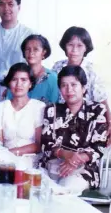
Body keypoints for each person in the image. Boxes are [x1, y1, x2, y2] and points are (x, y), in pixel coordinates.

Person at [40, 65, 108, 193]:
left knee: (65, 189)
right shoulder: (52, 110)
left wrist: (76, 160)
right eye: (64, 85)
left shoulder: (97, 110)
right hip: (52, 165)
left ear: (83, 88)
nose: (69, 89)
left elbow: (99, 146)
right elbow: (45, 143)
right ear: (60, 89)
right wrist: (64, 154)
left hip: (84, 169)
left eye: (73, 84)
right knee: (36, 186)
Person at [51, 26, 110, 144]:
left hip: (87, 122)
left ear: (86, 48)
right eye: (70, 45)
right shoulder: (57, 67)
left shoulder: (93, 70)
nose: (74, 50)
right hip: (61, 120)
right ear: (64, 46)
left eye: (79, 46)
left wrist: (109, 122)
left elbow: (102, 101)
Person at [0, 63, 46, 156]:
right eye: (14, 79)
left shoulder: (39, 107)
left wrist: (10, 153)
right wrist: (4, 156)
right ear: (9, 83)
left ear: (30, 84)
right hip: (4, 160)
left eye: (24, 80)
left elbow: (39, 145)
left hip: (30, 161)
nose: (19, 84)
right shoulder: (0, 107)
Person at [6, 34, 59, 104]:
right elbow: (8, 103)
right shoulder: (16, 75)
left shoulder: (53, 78)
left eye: (36, 49)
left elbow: (55, 106)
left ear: (44, 52)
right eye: (28, 49)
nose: (31, 53)